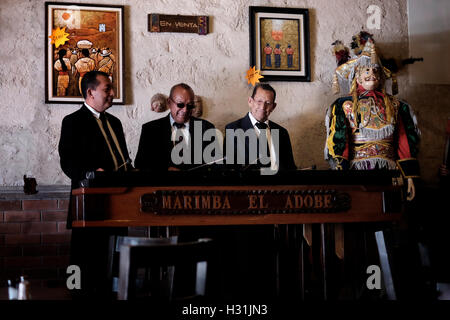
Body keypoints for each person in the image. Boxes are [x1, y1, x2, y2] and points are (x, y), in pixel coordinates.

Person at [58, 70, 132, 298]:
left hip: (118, 203)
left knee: (115, 261)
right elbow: (68, 162)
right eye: (107, 89)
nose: (112, 93)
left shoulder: (115, 122)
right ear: (90, 92)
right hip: (88, 204)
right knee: (83, 262)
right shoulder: (72, 122)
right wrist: (92, 173)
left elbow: (123, 159)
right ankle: (78, 294)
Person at [325, 31, 420, 200]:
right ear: (357, 78)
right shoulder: (344, 105)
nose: (372, 74)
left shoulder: (396, 105)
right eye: (366, 70)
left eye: (376, 70)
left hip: (390, 172)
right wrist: (341, 177)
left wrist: (410, 176)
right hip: (357, 174)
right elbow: (340, 140)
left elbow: (404, 139)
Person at [135, 83, 217, 171]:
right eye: (180, 105)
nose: (185, 110)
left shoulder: (207, 128)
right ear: (169, 102)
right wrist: (165, 169)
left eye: (189, 105)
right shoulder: (150, 129)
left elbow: (216, 164)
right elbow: (140, 164)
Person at [224, 83, 296, 174]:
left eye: (268, 103)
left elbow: (290, 168)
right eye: (259, 101)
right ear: (250, 101)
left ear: (273, 107)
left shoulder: (282, 132)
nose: (263, 107)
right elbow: (230, 170)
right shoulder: (233, 129)